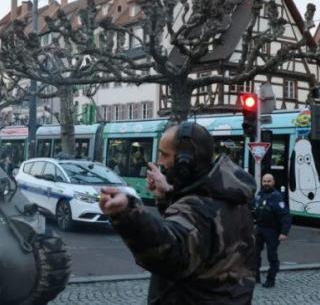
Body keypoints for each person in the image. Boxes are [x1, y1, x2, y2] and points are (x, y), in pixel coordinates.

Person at [100, 122, 256, 304]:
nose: (160, 162)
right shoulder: (230, 196)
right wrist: (168, 195)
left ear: (186, 161)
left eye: (165, 155)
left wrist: (127, 213)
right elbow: (201, 236)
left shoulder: (199, 208)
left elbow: (171, 252)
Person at [253, 173, 291, 288]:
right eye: (264, 181)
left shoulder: (277, 196)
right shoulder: (259, 195)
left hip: (272, 230)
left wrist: (284, 232)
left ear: (273, 182)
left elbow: (285, 215)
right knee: (254, 254)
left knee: (272, 256)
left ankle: (271, 279)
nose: (266, 183)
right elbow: (253, 209)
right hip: (260, 228)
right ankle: (255, 276)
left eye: (269, 181)